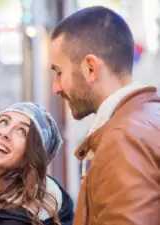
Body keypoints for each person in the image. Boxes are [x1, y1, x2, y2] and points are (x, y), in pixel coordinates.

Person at [50, 6, 160, 225]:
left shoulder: (123, 138)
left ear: (90, 68)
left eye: (59, 72)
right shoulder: (147, 115)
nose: (56, 87)